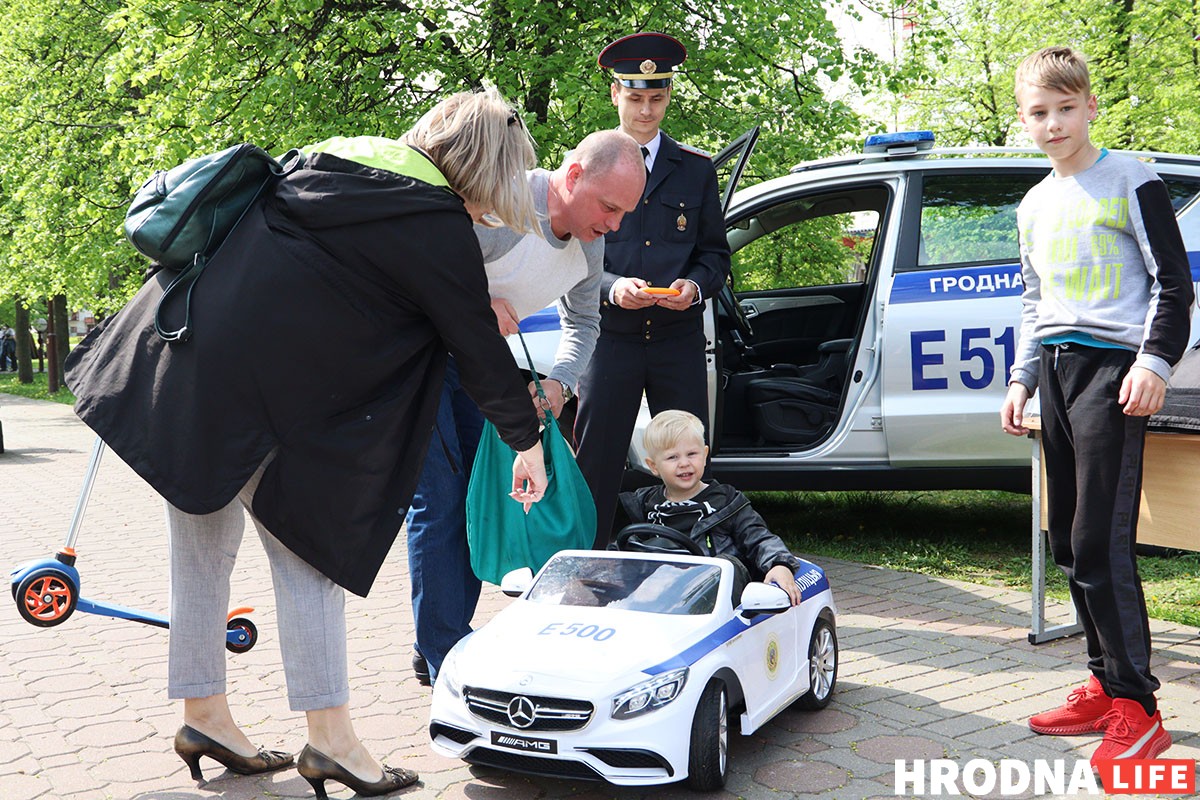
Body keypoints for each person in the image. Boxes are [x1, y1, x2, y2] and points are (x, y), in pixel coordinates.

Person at [64, 87, 549, 798]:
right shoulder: (431, 221)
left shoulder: (329, 161)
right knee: (310, 560)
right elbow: (476, 344)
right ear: (482, 165)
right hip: (262, 399)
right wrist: (525, 439)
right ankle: (333, 742)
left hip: (185, 364)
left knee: (201, 556)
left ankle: (205, 717)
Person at [1000, 46, 1193, 767]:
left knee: (1101, 548)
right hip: (1052, 371)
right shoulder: (1033, 202)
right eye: (1038, 113)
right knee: (1064, 542)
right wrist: (1020, 379)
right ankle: (1102, 684)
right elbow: (1032, 301)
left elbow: (1174, 286)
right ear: (1025, 120)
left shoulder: (1132, 182)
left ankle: (1140, 711)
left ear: (1090, 106)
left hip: (1113, 374)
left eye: (1065, 109)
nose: (1053, 124)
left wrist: (1153, 362)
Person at [406, 129, 645, 684]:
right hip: (419, 359)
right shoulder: (501, 197)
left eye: (624, 214)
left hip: (480, 370)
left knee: (473, 494)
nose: (614, 225)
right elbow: (417, 267)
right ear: (575, 174)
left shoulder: (590, 240)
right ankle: (445, 654)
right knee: (439, 501)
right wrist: (473, 302)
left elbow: (584, 322)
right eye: (609, 207)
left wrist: (560, 383)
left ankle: (438, 637)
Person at [575, 32, 732, 548]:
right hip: (609, 338)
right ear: (615, 94)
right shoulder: (589, 163)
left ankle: (695, 560)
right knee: (595, 463)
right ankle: (588, 565)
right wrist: (613, 287)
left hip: (675, 340)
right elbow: (568, 259)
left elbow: (715, 256)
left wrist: (694, 285)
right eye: (636, 97)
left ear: (669, 97)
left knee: (687, 459)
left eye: (657, 98)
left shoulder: (695, 169)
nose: (646, 111)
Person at [617, 409, 803, 605]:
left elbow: (759, 537)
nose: (684, 463)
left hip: (712, 601)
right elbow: (618, 554)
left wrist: (779, 564)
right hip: (656, 599)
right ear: (653, 466)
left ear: (705, 455)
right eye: (672, 457)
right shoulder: (642, 505)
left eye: (692, 454)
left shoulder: (727, 502)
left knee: (728, 564)